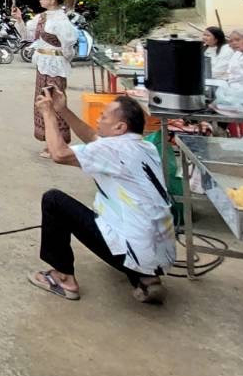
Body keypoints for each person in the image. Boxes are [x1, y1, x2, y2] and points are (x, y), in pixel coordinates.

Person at [30, 84, 175, 305]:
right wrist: (63, 110)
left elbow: (59, 154)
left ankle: (63, 278)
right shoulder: (144, 147)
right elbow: (93, 138)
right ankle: (145, 278)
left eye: (104, 117)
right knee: (129, 223)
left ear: (119, 127)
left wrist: (48, 113)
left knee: (54, 201)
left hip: (133, 249)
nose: (99, 118)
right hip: (161, 255)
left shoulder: (113, 150)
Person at [24, 0, 78, 150]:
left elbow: (68, 45)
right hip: (43, 66)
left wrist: (64, 59)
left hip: (55, 67)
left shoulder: (61, 20)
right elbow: (28, 35)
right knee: (43, 103)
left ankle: (57, 144)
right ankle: (50, 142)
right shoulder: (42, 17)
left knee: (54, 104)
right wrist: (19, 19)